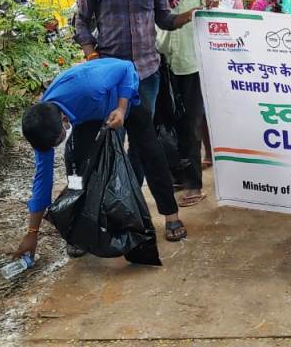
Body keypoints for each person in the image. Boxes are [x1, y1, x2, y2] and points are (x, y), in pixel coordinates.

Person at [15, 58, 185, 260]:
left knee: (151, 153)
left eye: (58, 140)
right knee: (76, 170)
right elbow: (42, 181)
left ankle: (171, 215)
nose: (55, 147)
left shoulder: (88, 85)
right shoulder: (41, 125)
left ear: (64, 120)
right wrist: (32, 233)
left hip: (125, 99)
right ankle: (83, 228)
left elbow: (127, 68)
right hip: (91, 115)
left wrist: (121, 108)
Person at [75, 0, 198, 200]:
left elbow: (164, 20)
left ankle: (132, 196)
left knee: (143, 140)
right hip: (109, 74)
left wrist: (191, 15)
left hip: (146, 74)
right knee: (112, 137)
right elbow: (81, 20)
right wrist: (90, 54)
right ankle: (113, 195)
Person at [155, 0, 218, 208]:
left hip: (191, 63)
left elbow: (212, 3)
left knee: (191, 123)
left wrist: (211, 4)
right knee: (165, 122)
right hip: (159, 62)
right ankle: (176, 177)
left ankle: (193, 184)